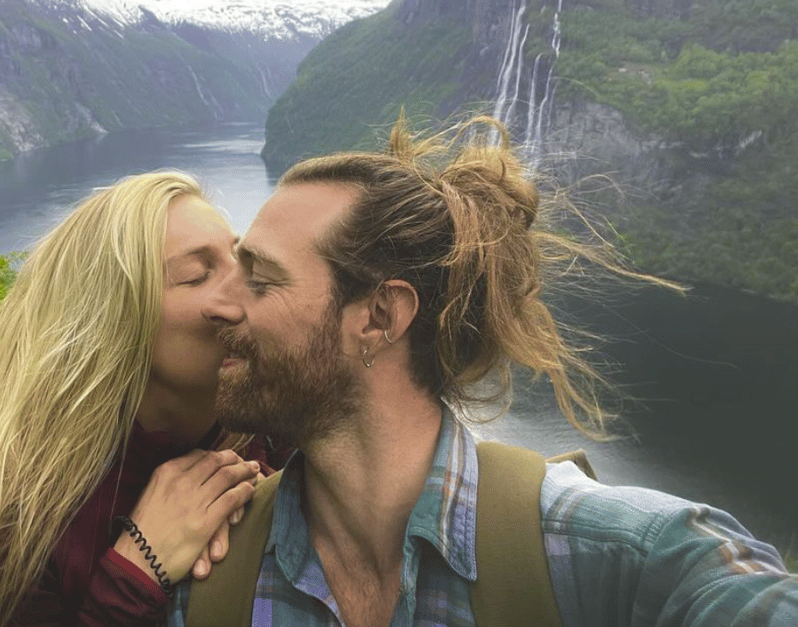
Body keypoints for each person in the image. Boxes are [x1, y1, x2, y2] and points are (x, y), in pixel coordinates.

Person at [169, 116, 798, 626]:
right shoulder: (207, 574)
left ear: (381, 315)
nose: (221, 304)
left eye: (260, 277)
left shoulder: (616, 553)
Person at [0, 171, 291, 627]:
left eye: (240, 259)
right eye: (198, 275)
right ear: (113, 319)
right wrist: (136, 572)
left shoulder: (281, 434)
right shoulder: (14, 509)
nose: (247, 286)